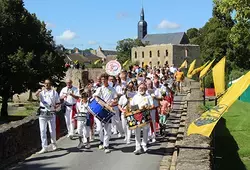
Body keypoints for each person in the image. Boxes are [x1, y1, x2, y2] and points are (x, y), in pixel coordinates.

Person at [93, 73, 118, 153]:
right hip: (100, 110)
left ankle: (106, 145)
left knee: (107, 129)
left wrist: (112, 103)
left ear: (107, 80)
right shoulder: (99, 89)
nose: (103, 81)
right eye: (102, 80)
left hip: (108, 110)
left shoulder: (112, 89)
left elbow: (116, 99)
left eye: (104, 79)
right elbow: (95, 97)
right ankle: (101, 141)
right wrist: (101, 103)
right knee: (100, 128)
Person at [36, 79, 60, 154]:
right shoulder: (41, 93)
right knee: (42, 130)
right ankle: (44, 147)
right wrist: (37, 93)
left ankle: (54, 145)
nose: (47, 85)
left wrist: (55, 108)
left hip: (51, 112)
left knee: (52, 130)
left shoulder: (54, 92)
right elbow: (37, 97)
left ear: (50, 84)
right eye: (45, 84)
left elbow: (58, 102)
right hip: (43, 112)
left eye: (48, 83)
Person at [131, 82, 154, 155]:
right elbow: (132, 107)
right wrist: (138, 109)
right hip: (137, 115)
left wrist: (147, 107)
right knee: (137, 132)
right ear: (138, 88)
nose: (142, 89)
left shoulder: (148, 96)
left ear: (146, 89)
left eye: (143, 88)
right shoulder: (135, 96)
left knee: (145, 130)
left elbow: (152, 106)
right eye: (140, 88)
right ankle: (137, 148)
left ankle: (144, 145)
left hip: (146, 114)